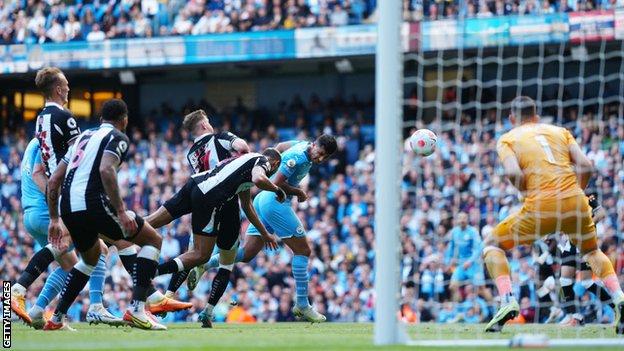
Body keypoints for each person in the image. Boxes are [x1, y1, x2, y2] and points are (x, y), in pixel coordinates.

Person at [482, 96, 624, 334]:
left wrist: (524, 191)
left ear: (511, 119)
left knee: (492, 245)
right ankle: (619, 297)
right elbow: (586, 166)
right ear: (537, 116)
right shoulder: (560, 131)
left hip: (541, 205)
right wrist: (577, 192)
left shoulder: (507, 139)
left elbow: (513, 174)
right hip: (575, 203)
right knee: (592, 252)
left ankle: (507, 300)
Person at [11, 67, 121, 327]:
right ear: (59, 89)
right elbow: (73, 158)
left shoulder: (40, 123)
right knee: (95, 248)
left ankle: (39, 312)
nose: (70, 90)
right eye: (67, 86)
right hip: (57, 198)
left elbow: (39, 170)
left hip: (41, 204)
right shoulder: (63, 118)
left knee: (75, 261)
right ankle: (19, 289)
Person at [43, 99, 165, 331]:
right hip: (93, 203)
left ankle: (57, 318)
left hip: (68, 207)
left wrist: (54, 218)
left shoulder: (81, 138)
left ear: (101, 119)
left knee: (89, 260)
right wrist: (121, 210)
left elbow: (54, 179)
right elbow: (106, 168)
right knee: (153, 239)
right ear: (124, 119)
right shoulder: (118, 137)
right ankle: (138, 309)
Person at [190, 135, 337, 324]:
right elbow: (279, 183)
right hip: (272, 203)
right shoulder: (298, 157)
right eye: (320, 154)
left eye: (325, 157)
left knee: (247, 253)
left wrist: (270, 164)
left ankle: (206, 264)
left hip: (261, 200)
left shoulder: (301, 144)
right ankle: (302, 304)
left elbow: (279, 146)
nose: (320, 159)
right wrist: (298, 191)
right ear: (315, 145)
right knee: (303, 250)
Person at [144, 150, 286, 327]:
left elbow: (247, 206)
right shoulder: (263, 161)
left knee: (153, 222)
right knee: (203, 256)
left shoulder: (243, 163)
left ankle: (119, 232)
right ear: (275, 164)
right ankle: (150, 273)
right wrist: (277, 190)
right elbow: (259, 179)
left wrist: (264, 233)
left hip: (196, 182)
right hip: (212, 197)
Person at [155, 109, 250, 300]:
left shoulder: (191, 153)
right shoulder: (220, 138)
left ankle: (168, 295)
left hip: (203, 201)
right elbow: (243, 146)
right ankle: (208, 310)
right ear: (205, 125)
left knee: (193, 253)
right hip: (227, 200)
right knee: (226, 260)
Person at [444, 212, 487, 302]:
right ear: (457, 220)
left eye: (464, 218)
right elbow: (450, 249)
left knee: (481, 290)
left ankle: (495, 308)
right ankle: (460, 309)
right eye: (460, 218)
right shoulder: (454, 232)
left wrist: (470, 261)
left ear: (467, 220)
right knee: (453, 287)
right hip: (461, 264)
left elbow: (478, 249)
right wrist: (447, 262)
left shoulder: (473, 232)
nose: (462, 220)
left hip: (474, 265)